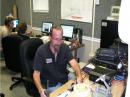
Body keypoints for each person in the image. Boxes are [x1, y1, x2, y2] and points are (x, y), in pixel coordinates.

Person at [33, 26, 83, 97]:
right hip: (51, 84)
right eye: (56, 39)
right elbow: (36, 74)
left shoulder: (64, 47)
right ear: (50, 37)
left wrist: (79, 76)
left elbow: (74, 63)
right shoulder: (42, 51)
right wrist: (40, 90)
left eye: (60, 39)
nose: (59, 43)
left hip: (64, 79)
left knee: (80, 88)